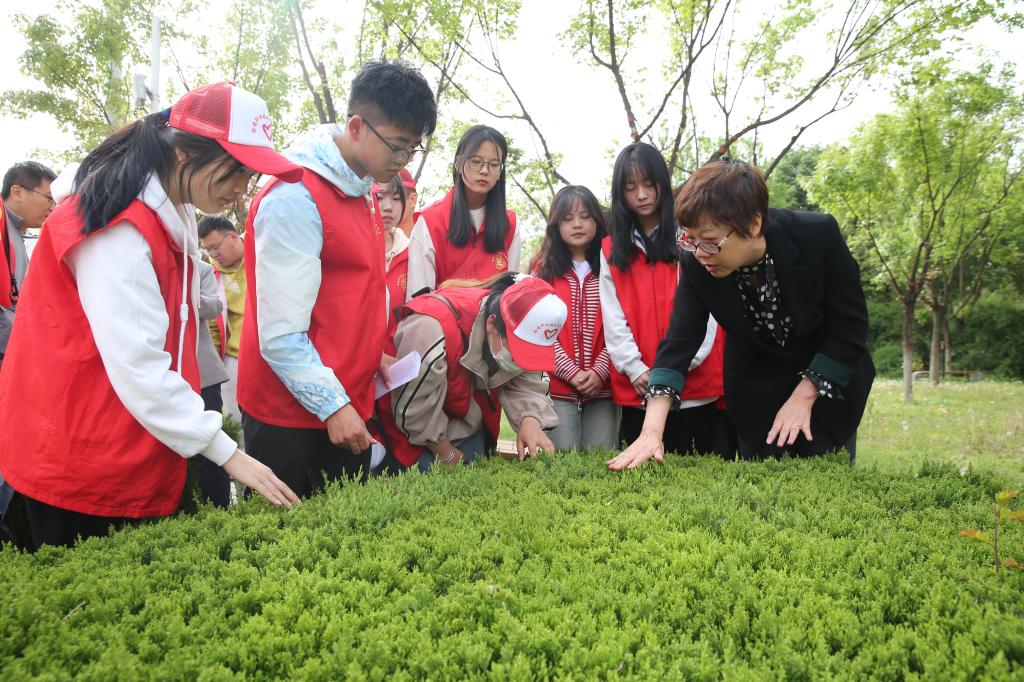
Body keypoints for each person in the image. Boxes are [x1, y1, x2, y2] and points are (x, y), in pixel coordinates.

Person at [0, 82, 301, 548]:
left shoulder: (172, 207)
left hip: (123, 441)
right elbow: (137, 363)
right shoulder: (117, 222)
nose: (242, 190)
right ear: (185, 152)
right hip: (82, 452)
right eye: (237, 170)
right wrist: (230, 454)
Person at [237, 60, 437, 497]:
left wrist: (372, 356)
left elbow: (350, 296)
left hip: (346, 400)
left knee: (345, 531)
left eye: (412, 149)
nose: (403, 160)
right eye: (397, 146)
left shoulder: (362, 186)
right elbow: (281, 334)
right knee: (278, 530)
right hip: (291, 413)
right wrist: (333, 405)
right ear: (357, 126)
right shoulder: (295, 196)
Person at [608, 159, 875, 470]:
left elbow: (850, 326)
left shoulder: (817, 236)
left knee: (826, 476)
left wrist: (804, 396)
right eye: (690, 239)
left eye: (711, 242)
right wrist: (651, 432)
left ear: (754, 223)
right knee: (760, 480)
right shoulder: (696, 262)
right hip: (756, 392)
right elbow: (679, 341)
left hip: (827, 384)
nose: (700, 253)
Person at [598, 142, 730, 457]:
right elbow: (612, 316)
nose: (641, 194)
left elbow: (711, 309)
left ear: (662, 183)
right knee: (641, 476)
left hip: (697, 388)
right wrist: (634, 368)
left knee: (702, 473)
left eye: (648, 184)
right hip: (639, 388)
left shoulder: (692, 239)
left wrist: (680, 365)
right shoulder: (610, 249)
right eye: (630, 187)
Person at [377, 273, 565, 471]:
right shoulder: (431, 326)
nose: (520, 363)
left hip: (465, 423)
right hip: (408, 431)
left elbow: (528, 377)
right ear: (491, 324)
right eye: (517, 352)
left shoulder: (509, 323)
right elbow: (413, 407)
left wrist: (530, 418)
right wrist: (446, 453)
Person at [532, 185, 618, 452]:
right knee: (560, 461)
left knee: (601, 459)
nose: (577, 224)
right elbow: (537, 331)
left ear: (597, 220)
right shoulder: (542, 272)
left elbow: (622, 325)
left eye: (585, 216)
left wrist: (600, 371)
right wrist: (571, 372)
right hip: (556, 388)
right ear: (556, 225)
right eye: (567, 218)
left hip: (604, 388)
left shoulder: (613, 267)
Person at [406, 125, 519, 298]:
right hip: (438, 314)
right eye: (476, 161)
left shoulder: (511, 224)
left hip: (493, 315)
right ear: (458, 164)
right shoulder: (430, 220)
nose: (484, 170)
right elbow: (417, 298)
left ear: (500, 172)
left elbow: (510, 296)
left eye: (494, 164)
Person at [1, 161, 57, 364]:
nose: (53, 207)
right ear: (17, 193)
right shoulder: (4, 231)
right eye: (49, 198)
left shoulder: (16, 232)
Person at [198, 213, 246, 425]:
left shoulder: (261, 254)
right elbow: (213, 326)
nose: (213, 254)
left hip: (273, 350)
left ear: (233, 236)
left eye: (215, 247)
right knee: (236, 421)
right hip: (235, 357)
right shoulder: (211, 275)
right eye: (208, 249)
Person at [195, 258, 232, 507]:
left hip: (204, 374)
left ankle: (219, 511)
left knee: (211, 447)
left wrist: (183, 293)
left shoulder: (202, 269)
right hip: (162, 371)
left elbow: (214, 307)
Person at [375, 174, 410, 329]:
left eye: (396, 198)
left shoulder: (411, 253)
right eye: (379, 197)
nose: (388, 207)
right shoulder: (350, 251)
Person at [396, 168, 419, 237]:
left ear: (412, 200)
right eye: (380, 198)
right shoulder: (374, 239)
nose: (387, 205)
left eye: (395, 198)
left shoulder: (430, 238)